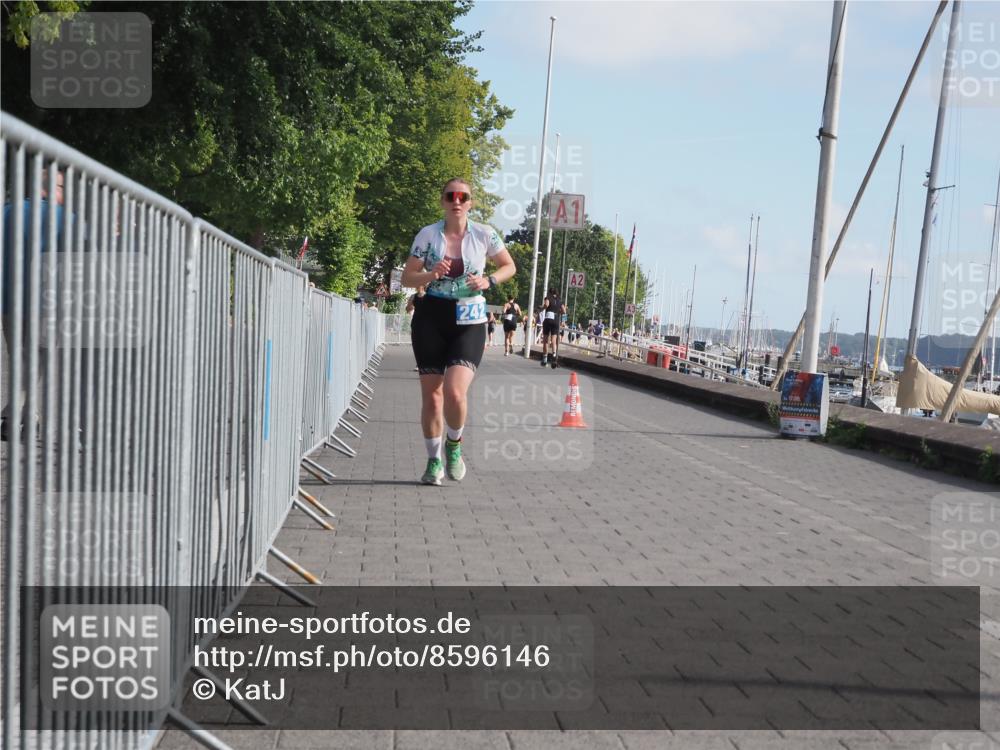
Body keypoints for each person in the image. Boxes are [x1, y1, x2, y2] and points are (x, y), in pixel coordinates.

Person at [401, 178, 516, 486]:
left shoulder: (484, 234)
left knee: (454, 391)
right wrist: (430, 273)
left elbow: (509, 266)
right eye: (451, 196)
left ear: (470, 202)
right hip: (432, 315)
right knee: (433, 398)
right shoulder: (428, 235)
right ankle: (433, 460)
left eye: (463, 196)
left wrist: (489, 281)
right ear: (442, 201)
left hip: (469, 315)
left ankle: (454, 445)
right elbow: (407, 278)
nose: (457, 201)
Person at [539, 287, 566, 368]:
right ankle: (554, 356)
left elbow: (546, 305)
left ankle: (544, 360)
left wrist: (541, 308)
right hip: (556, 319)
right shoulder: (559, 300)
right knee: (554, 339)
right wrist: (558, 312)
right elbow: (564, 311)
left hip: (548, 319)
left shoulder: (548, 298)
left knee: (546, 340)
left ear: (550, 293)